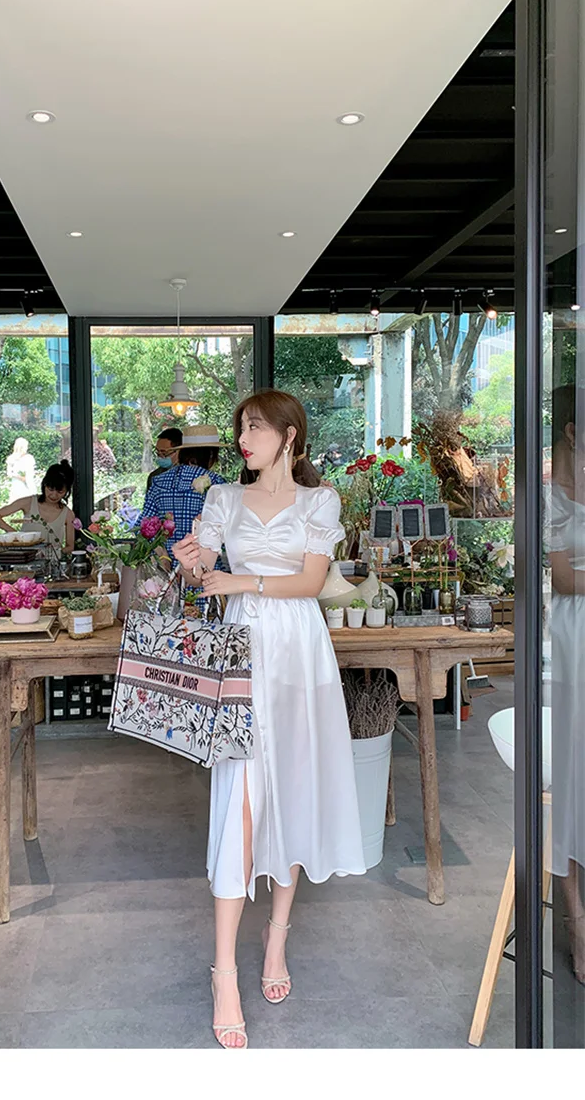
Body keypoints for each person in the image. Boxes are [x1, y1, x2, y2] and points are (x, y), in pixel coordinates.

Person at [171, 389, 365, 1049]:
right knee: (243, 804)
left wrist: (242, 581)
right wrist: (191, 563)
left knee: (292, 793)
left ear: (288, 435)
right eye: (241, 428)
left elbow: (311, 582)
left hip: (300, 655)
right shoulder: (224, 498)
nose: (243, 438)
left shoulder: (319, 501)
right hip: (243, 653)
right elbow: (203, 569)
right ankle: (224, 970)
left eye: (255, 427)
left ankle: (276, 937)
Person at [547, 383, 585, 984]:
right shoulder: (552, 495)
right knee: (570, 767)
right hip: (573, 634)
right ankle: (576, 919)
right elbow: (562, 578)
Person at [142, 425, 226, 559]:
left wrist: (163, 555)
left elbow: (144, 527)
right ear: (211, 454)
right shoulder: (216, 483)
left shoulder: (158, 481)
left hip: (165, 564)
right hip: (203, 565)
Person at [0, 460, 76, 554]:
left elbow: (70, 547)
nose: (54, 495)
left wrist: (55, 552)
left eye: (60, 492)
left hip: (52, 561)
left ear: (67, 491)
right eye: (50, 489)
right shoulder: (28, 502)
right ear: (44, 485)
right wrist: (15, 534)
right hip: (24, 558)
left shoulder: (68, 514)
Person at [145, 427, 183, 492]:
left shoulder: (190, 475)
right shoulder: (154, 476)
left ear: (179, 451)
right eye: (158, 452)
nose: (160, 456)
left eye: (164, 452)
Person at [5, 437, 36, 502]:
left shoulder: (29, 458)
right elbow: (9, 473)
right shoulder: (11, 458)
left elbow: (30, 473)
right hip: (16, 484)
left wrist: (26, 479)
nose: (27, 448)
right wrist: (19, 477)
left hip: (27, 484)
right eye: (26, 446)